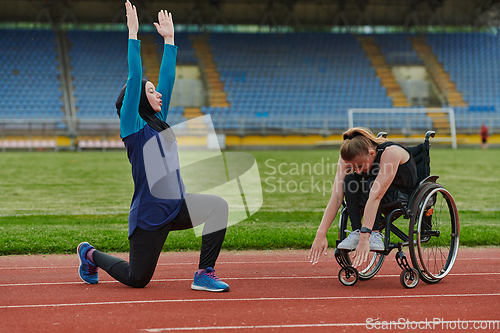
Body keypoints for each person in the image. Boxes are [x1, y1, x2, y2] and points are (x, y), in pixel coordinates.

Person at [77, 0, 230, 292]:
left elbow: (168, 81)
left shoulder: (160, 122)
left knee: (217, 207)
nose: (157, 92)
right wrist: (133, 35)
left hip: (177, 206)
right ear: (136, 100)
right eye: (150, 91)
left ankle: (204, 273)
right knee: (138, 279)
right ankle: (89, 254)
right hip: (149, 216)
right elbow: (135, 78)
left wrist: (170, 41)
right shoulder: (132, 128)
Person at [308, 127, 418, 268]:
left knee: (369, 182)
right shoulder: (346, 158)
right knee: (350, 181)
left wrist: (366, 237)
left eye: (360, 165)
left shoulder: (392, 153)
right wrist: (320, 234)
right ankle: (356, 230)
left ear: (372, 154)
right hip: (371, 192)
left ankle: (375, 234)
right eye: (354, 167)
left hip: (400, 194)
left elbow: (376, 196)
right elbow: (336, 197)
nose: (358, 170)